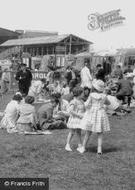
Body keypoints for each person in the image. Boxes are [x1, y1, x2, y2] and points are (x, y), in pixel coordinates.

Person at [77, 79, 110, 154]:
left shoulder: (91, 95)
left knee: (88, 131)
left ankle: (83, 147)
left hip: (92, 114)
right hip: (101, 113)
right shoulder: (104, 96)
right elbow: (108, 103)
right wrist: (103, 102)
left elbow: (86, 104)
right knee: (100, 133)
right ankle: (99, 149)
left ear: (95, 88)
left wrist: (85, 104)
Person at [65, 87, 85, 151]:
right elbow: (71, 111)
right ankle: (67, 145)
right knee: (72, 132)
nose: (84, 94)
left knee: (79, 132)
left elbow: (84, 109)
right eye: (82, 93)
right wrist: (78, 115)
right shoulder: (74, 101)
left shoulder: (81, 101)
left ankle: (80, 145)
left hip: (80, 119)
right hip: (74, 119)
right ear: (79, 94)